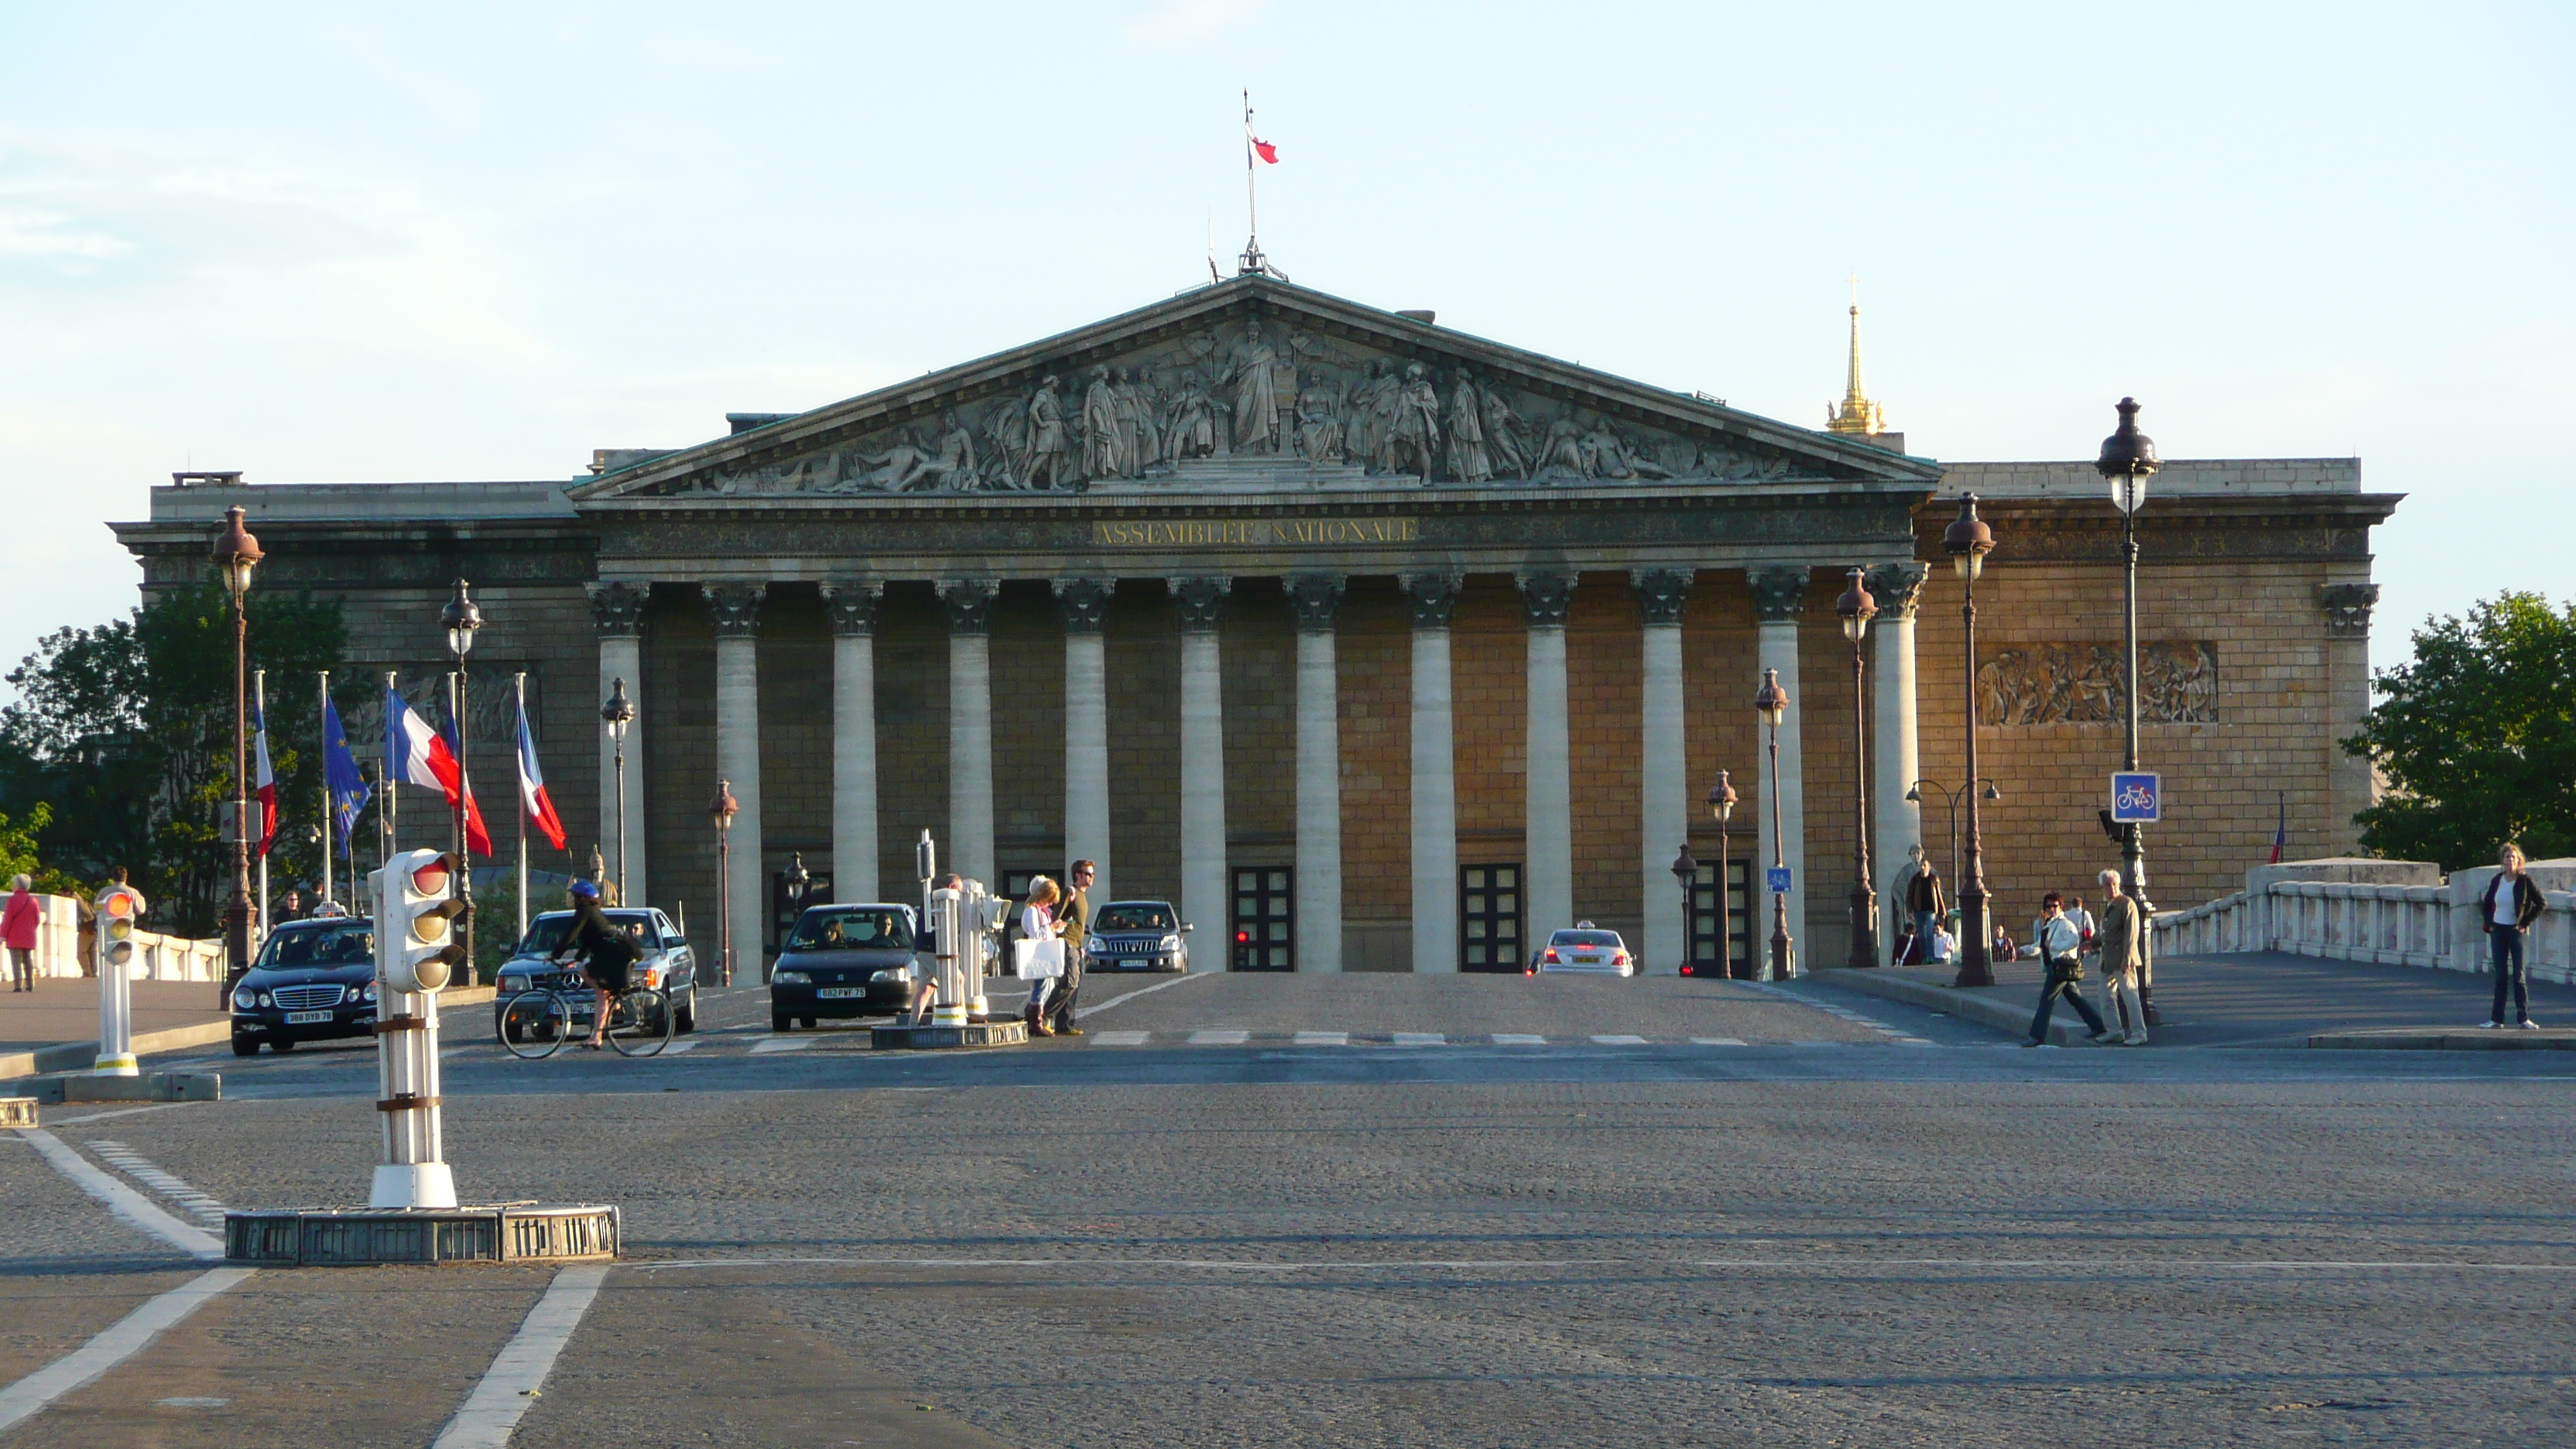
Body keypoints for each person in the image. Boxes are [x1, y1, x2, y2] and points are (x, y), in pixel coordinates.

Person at [550, 879, 637, 1050]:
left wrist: (555, 955)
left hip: (611, 955)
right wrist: (576, 959)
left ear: (583, 899)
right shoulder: (594, 912)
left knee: (596, 987)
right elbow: (589, 941)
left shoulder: (585, 912)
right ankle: (603, 1021)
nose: (574, 900)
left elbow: (571, 935)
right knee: (588, 977)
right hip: (612, 953)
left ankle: (598, 1033)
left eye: (575, 897)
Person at [2026, 892, 2118, 1048]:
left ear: (2061, 906)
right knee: (2076, 998)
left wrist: (2055, 947)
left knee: (2046, 1001)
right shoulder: (2051, 924)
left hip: (2060, 966)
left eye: (2054, 906)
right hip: (2056, 966)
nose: (2051, 909)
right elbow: (2043, 946)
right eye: (2048, 906)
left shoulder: (2065, 924)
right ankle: (2098, 1026)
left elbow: (2074, 941)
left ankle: (2037, 1035)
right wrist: (2025, 950)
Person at [2481, 844, 2546, 1029]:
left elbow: (2541, 903)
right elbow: (2486, 905)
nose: (2511, 860)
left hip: (2516, 931)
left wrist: (2524, 923)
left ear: (2519, 861)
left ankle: (2523, 1018)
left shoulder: (2525, 881)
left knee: (2519, 975)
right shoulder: (2497, 880)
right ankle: (2496, 1019)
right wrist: (2490, 924)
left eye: (2514, 858)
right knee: (2501, 975)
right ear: (2502, 860)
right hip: (2498, 931)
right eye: (2508, 857)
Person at [2095, 868, 2148, 1045]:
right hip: (2108, 960)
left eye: (2114, 884)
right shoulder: (2109, 905)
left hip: (2123, 959)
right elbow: (2107, 934)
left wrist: (2128, 957)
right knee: (2106, 997)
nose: (2111, 888)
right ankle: (2114, 1031)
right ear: (2102, 888)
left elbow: (2132, 933)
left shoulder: (2127, 903)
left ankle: (2139, 1033)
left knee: (2130, 996)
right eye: (2107, 885)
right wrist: (2091, 943)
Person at [908, 873, 962, 1026]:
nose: (959, 896)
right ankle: (962, 1016)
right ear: (951, 887)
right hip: (933, 950)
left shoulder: (930, 898)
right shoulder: (941, 900)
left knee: (926, 988)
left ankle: (912, 1025)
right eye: (959, 891)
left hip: (921, 949)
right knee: (957, 979)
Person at [1018, 876, 1063, 1036]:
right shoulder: (1031, 911)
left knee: (1045, 986)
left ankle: (1034, 1017)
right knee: (1039, 987)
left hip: (1045, 953)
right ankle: (1035, 1021)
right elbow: (1035, 934)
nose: (1051, 904)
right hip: (1037, 954)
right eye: (1049, 900)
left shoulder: (1043, 911)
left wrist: (1056, 928)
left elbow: (1046, 931)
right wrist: (1051, 927)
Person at [1904, 849, 1947, 964]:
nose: (1922, 868)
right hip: (1918, 910)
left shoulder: (1933, 879)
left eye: (1924, 866)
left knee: (1929, 933)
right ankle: (1923, 958)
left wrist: (1942, 910)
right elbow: (1909, 897)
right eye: (1921, 866)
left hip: (1931, 910)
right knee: (1922, 936)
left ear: (1929, 867)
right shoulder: (1914, 880)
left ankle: (1930, 957)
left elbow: (1938, 896)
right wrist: (1909, 911)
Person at [4, 875, 39, 992]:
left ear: (17, 885)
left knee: (16, 962)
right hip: (29, 935)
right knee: (28, 961)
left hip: (14, 936)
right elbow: (37, 919)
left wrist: (2, 935)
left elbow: (7, 920)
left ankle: (18, 985)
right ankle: (30, 984)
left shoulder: (12, 900)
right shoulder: (33, 900)